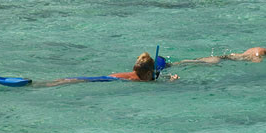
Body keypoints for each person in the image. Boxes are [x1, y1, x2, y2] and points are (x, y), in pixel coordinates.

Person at [38, 52, 178, 87]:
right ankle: (47, 84)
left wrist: (167, 79)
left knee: (78, 80)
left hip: (109, 77)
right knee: (79, 80)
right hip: (108, 78)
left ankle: (50, 83)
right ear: (148, 73)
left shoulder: (142, 75)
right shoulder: (135, 79)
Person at [171, 39, 266, 65]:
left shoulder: (263, 51)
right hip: (221, 60)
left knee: (195, 62)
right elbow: (255, 61)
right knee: (190, 63)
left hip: (224, 59)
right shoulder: (260, 52)